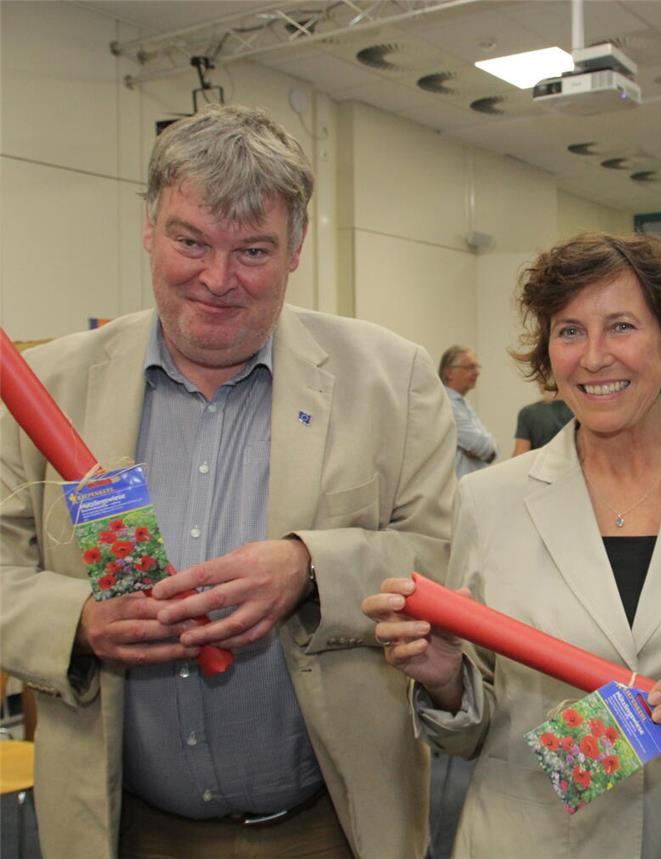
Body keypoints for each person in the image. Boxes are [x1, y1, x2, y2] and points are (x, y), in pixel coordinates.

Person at [0, 105, 456, 859]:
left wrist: (308, 567)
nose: (217, 279)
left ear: (297, 246)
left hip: (327, 823)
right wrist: (80, 619)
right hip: (120, 827)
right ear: (149, 227)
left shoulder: (392, 380)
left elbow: (437, 553)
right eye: (190, 241)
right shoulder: (48, 386)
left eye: (252, 250)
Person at [364, 232, 661, 858]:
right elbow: (470, 728)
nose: (594, 357)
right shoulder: (490, 501)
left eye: (621, 326)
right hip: (525, 839)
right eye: (569, 332)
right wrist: (446, 682)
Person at [440, 346, 497, 478]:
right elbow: (481, 446)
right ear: (449, 373)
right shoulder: (445, 404)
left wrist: (485, 449)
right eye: (470, 367)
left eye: (477, 367)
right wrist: (483, 449)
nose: (477, 372)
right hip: (455, 490)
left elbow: (492, 448)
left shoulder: (463, 404)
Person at [512, 386, 574, 456]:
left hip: (541, 465)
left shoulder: (528, 413)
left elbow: (520, 454)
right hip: (576, 465)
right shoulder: (580, 411)